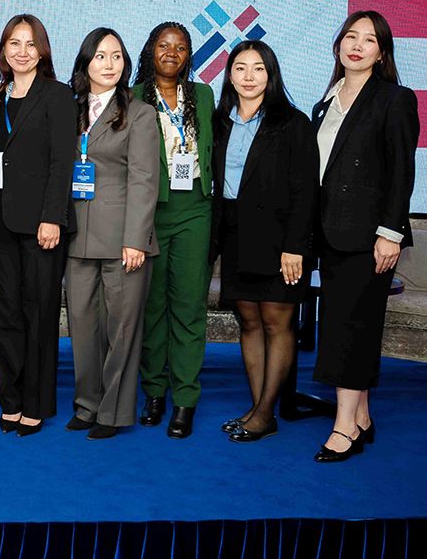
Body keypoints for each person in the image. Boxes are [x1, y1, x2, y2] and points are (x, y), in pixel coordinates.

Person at [311, 11, 419, 462]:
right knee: (344, 325)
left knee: (351, 329)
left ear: (381, 52)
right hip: (331, 234)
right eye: (350, 37)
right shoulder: (325, 103)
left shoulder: (394, 99)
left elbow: (401, 171)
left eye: (369, 39)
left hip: (372, 238)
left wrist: (390, 233)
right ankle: (361, 416)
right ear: (338, 44)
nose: (356, 45)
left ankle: (344, 428)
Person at [211, 41, 318, 442]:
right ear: (229, 75)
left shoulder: (292, 122)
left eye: (258, 68)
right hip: (235, 234)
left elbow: (305, 191)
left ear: (271, 74)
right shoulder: (220, 120)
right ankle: (257, 409)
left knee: (277, 322)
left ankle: (265, 414)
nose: (249, 77)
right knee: (250, 321)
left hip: (279, 239)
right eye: (241, 68)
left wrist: (296, 246)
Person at [63, 28, 160, 440]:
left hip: (124, 239)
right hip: (76, 235)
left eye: (117, 56)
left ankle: (114, 411)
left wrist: (136, 239)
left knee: (121, 331)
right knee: (83, 327)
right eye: (101, 56)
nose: (109, 64)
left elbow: (144, 179)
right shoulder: (69, 108)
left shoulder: (140, 113)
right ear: (86, 62)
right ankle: (87, 404)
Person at [0, 15, 75, 436]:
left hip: (42, 224)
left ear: (42, 50)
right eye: (14, 43)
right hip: (1, 221)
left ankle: (36, 403)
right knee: (7, 312)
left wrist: (52, 217)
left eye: (30, 44)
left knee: (39, 313)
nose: (21, 52)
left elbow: (62, 161)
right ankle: (11, 399)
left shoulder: (57, 95)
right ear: (3, 50)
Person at [130, 22, 215, 439]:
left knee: (188, 305)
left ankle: (185, 398)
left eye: (180, 48)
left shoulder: (204, 95)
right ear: (151, 50)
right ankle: (153, 391)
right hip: (148, 210)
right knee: (151, 306)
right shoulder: (132, 97)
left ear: (188, 56)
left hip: (194, 209)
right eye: (163, 45)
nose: (171, 53)